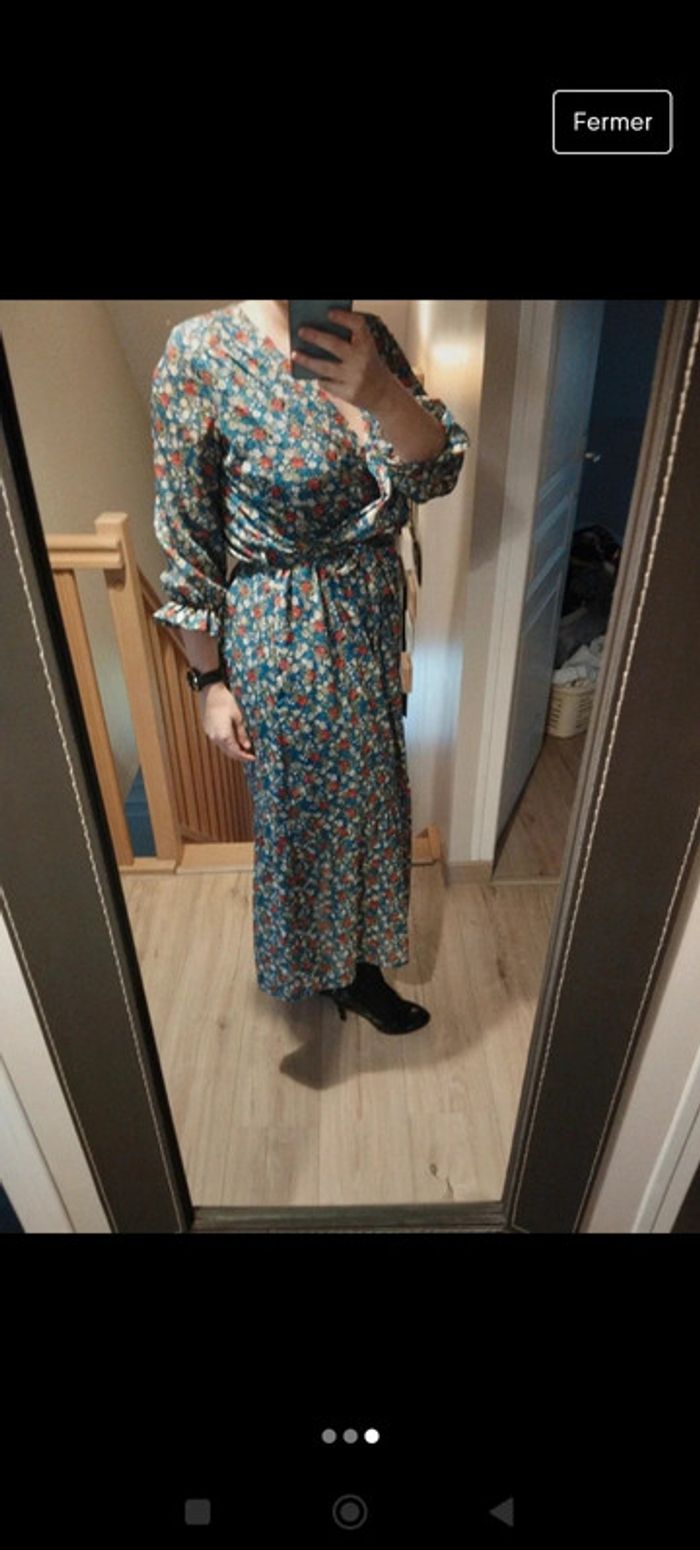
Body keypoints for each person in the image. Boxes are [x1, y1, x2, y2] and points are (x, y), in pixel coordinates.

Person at [150, 300, 470, 1034]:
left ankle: (360, 967)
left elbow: (435, 472)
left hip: (368, 620)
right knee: (302, 817)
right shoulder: (200, 353)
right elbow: (188, 539)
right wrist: (209, 682)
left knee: (374, 802)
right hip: (284, 629)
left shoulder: (367, 336)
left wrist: (381, 392)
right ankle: (321, 970)